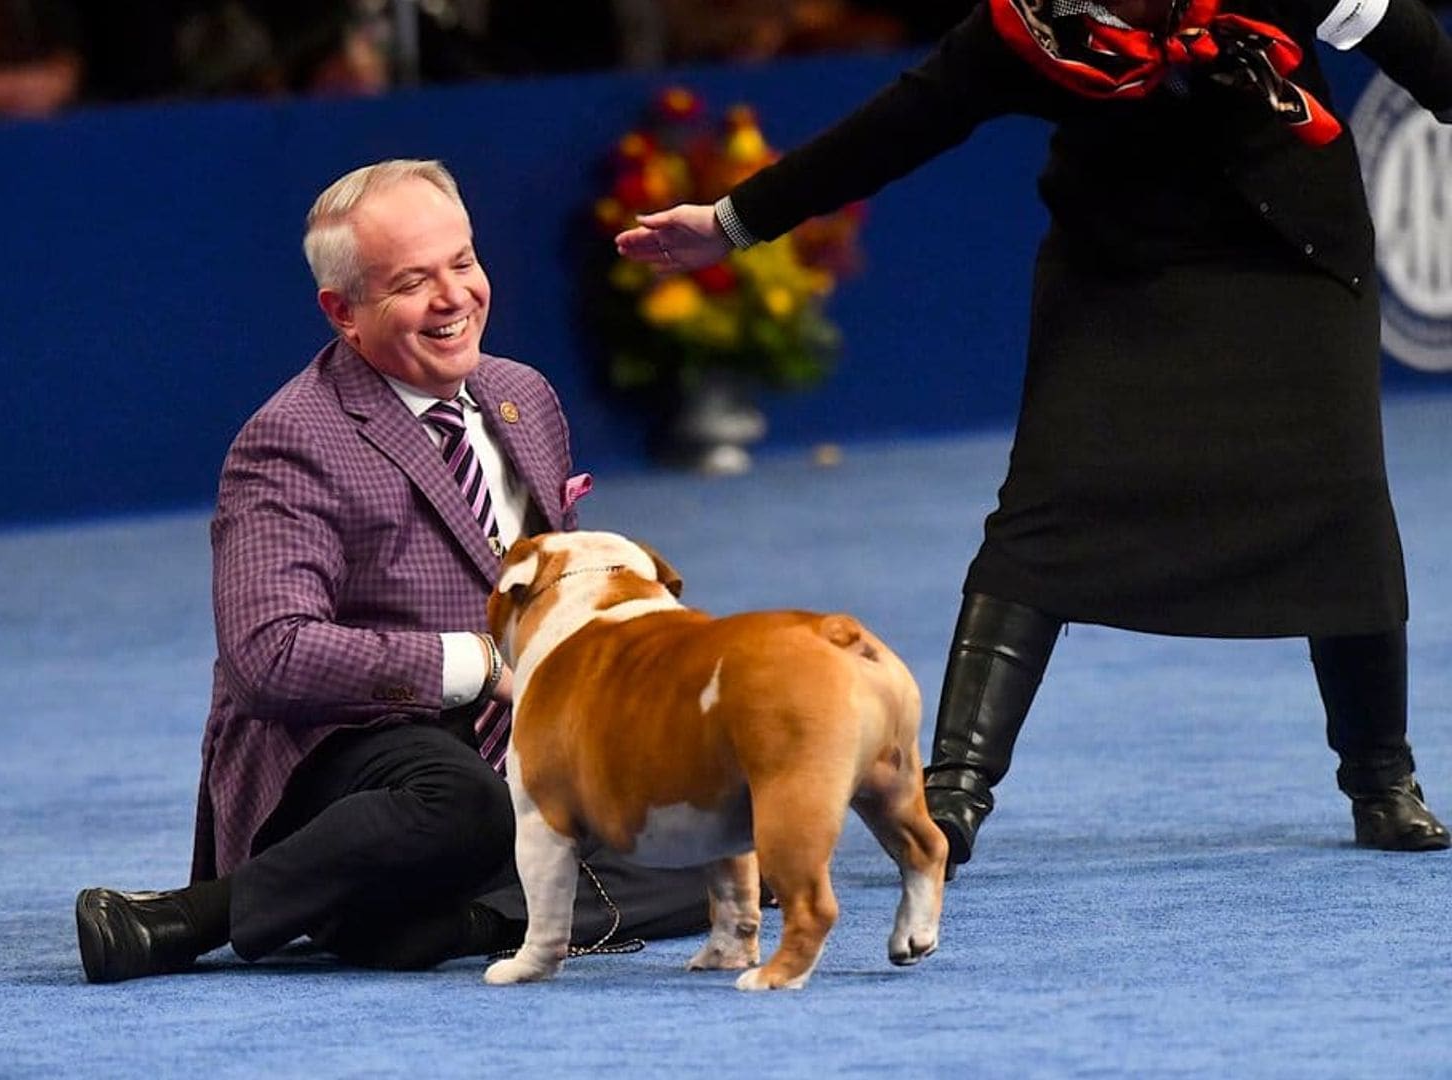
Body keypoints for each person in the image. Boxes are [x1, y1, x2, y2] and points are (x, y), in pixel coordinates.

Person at [618, 0, 1452, 875]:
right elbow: (896, 127)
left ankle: (1380, 783)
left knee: (1340, 505)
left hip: (1293, 261)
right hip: (1116, 277)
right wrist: (733, 223)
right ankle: (954, 794)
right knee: (1045, 512)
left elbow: (1416, 45)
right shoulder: (1023, 28)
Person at [75, 160, 706, 981]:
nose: (455, 298)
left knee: (728, 817)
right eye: (414, 282)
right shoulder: (290, 440)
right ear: (343, 312)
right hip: (353, 753)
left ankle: (455, 924)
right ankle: (193, 920)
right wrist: (481, 664)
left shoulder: (524, 396)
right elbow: (270, 657)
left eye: (464, 263)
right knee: (460, 803)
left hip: (523, 751)